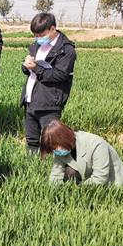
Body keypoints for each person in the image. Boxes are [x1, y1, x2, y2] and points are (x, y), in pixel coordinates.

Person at [20, 13, 76, 153]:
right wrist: (26, 65)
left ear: (52, 29)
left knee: (51, 141)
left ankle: (55, 169)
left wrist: (36, 68)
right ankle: (32, 167)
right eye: (35, 35)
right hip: (30, 99)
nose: (38, 38)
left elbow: (60, 75)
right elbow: (28, 71)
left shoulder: (66, 49)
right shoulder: (35, 46)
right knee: (31, 140)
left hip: (49, 102)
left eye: (41, 35)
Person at [40, 119, 123, 186]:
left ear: (64, 138)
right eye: (53, 148)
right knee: (70, 172)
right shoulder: (61, 148)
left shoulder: (96, 144)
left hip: (111, 182)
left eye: (56, 146)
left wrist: (78, 191)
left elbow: (100, 177)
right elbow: (56, 174)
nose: (56, 150)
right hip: (88, 179)